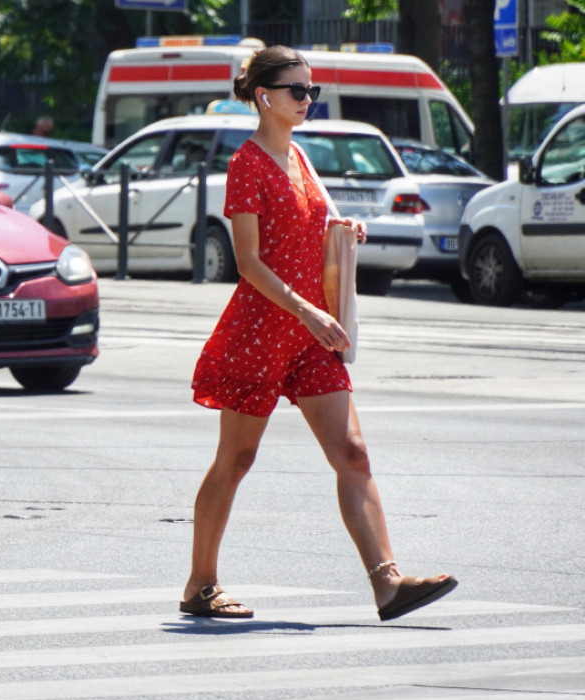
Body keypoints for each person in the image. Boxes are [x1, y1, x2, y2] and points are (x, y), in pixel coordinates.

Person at [180, 46, 457, 622]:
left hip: (310, 335)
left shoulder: (300, 157)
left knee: (353, 454)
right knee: (236, 459)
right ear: (265, 96)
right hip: (263, 331)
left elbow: (310, 227)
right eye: (297, 91)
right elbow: (249, 263)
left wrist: (342, 228)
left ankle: (389, 584)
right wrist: (306, 310)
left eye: (312, 91)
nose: (308, 100)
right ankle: (199, 585)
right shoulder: (248, 164)